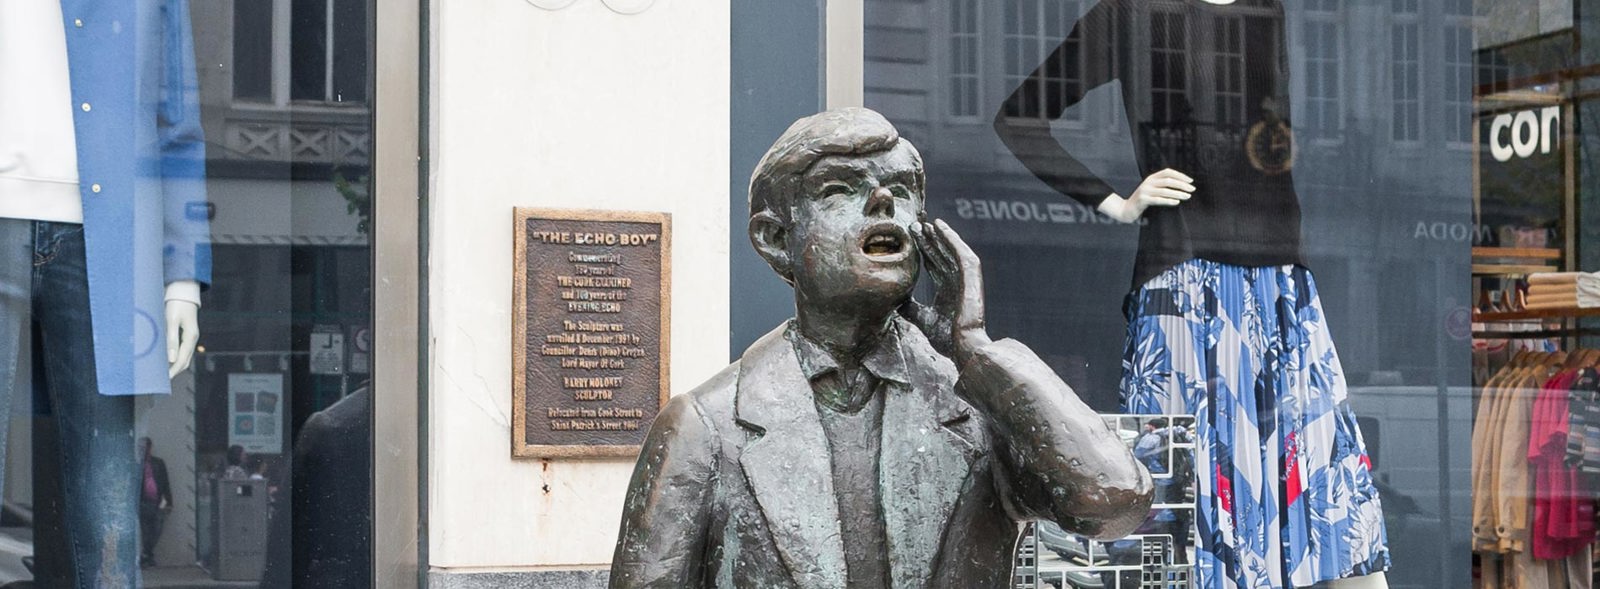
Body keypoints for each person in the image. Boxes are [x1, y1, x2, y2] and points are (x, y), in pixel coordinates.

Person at [609, 107, 1153, 589]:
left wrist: (975, 352)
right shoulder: (706, 427)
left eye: (900, 188)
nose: (882, 200)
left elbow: (1112, 503)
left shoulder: (977, 403)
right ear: (777, 241)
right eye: (840, 190)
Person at [993, 1, 1390, 588]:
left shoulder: (1266, 10)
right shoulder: (1133, 12)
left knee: (1324, 501)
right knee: (1186, 504)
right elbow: (1020, 117)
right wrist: (1116, 202)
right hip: (1185, 288)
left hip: (1282, 289)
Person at [138, 437, 172, 567]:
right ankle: (148, 556)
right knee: (146, 531)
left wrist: (169, 501)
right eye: (142, 447)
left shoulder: (158, 463)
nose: (144, 449)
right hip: (143, 502)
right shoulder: (137, 464)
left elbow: (165, 483)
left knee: (157, 529)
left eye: (146, 447)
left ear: (150, 448)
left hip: (158, 502)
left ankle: (146, 554)